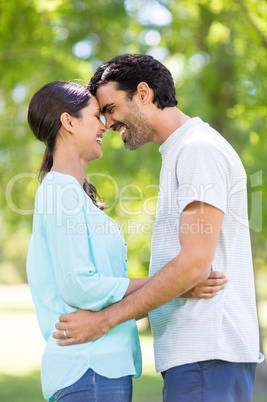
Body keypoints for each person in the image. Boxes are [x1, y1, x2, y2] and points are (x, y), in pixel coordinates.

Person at [52, 55, 264, 402]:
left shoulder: (197, 150)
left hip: (206, 354)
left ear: (144, 93)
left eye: (111, 108)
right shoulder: (182, 151)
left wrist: (104, 320)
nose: (106, 123)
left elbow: (195, 265)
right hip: (200, 358)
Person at [27, 80, 225, 402]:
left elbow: (105, 290)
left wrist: (168, 288)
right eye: (96, 116)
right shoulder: (59, 192)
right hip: (88, 368)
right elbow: (80, 286)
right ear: (68, 122)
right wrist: (175, 285)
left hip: (101, 369)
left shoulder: (74, 195)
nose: (105, 125)